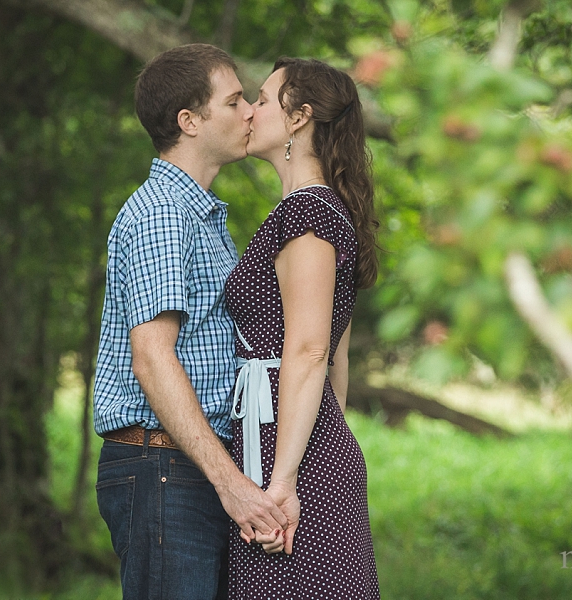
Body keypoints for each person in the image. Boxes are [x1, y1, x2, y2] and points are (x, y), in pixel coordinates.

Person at [93, 44, 287, 600]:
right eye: (234, 102)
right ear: (190, 121)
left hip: (183, 466)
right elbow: (153, 359)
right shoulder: (163, 214)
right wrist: (232, 485)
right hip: (163, 469)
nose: (251, 110)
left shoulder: (198, 214)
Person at [225, 57, 381, 599]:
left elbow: (314, 350)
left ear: (299, 117)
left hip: (292, 461)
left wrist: (287, 477)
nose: (249, 111)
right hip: (287, 442)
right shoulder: (314, 211)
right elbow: (336, 362)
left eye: (263, 100)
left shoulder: (309, 216)